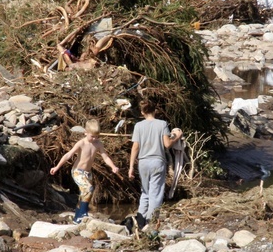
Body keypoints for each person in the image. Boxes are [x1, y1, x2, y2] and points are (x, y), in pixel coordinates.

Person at [128, 99, 183, 231]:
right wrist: (177, 136)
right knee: (156, 193)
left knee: (145, 192)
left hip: (143, 162)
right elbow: (167, 144)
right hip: (157, 162)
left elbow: (135, 147)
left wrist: (131, 167)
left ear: (142, 112)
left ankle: (140, 221)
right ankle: (151, 222)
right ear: (155, 110)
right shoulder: (162, 124)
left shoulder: (138, 126)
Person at [50, 119, 119, 224]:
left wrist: (113, 166)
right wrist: (57, 167)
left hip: (88, 173)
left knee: (84, 194)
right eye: (92, 136)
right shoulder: (81, 143)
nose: (94, 138)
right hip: (78, 171)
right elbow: (68, 155)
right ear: (85, 133)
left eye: (97, 136)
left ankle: (76, 218)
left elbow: (105, 157)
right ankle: (83, 213)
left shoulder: (98, 144)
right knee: (88, 189)